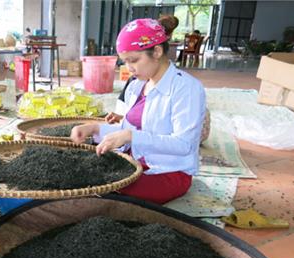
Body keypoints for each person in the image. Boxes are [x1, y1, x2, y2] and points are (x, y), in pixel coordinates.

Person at [71, 17, 206, 204]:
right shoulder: (137, 86)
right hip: (135, 161)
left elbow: (185, 145)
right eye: (125, 62)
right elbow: (127, 129)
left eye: (133, 60)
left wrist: (131, 136)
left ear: (157, 51)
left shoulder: (186, 88)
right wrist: (94, 129)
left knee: (100, 184)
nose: (129, 68)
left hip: (168, 172)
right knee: (81, 167)